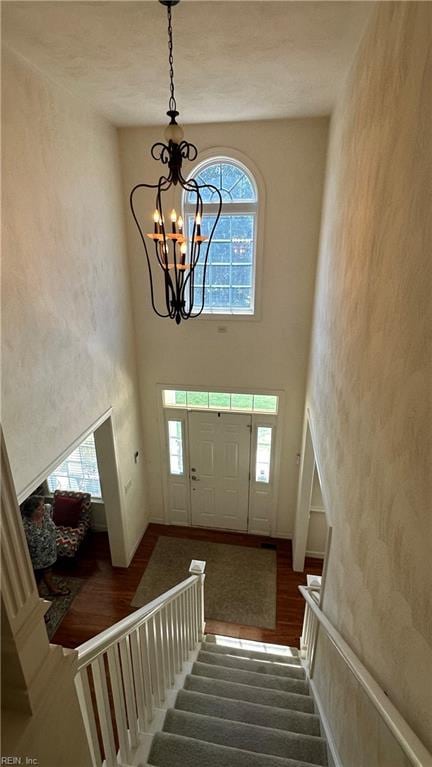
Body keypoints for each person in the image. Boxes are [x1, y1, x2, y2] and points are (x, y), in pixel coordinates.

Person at [21, 495, 69, 595]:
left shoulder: (46, 511)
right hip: (36, 560)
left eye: (42, 505)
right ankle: (38, 598)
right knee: (36, 579)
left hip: (50, 553)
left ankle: (52, 589)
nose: (43, 509)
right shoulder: (25, 527)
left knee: (48, 571)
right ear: (31, 512)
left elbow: (49, 506)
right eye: (39, 508)